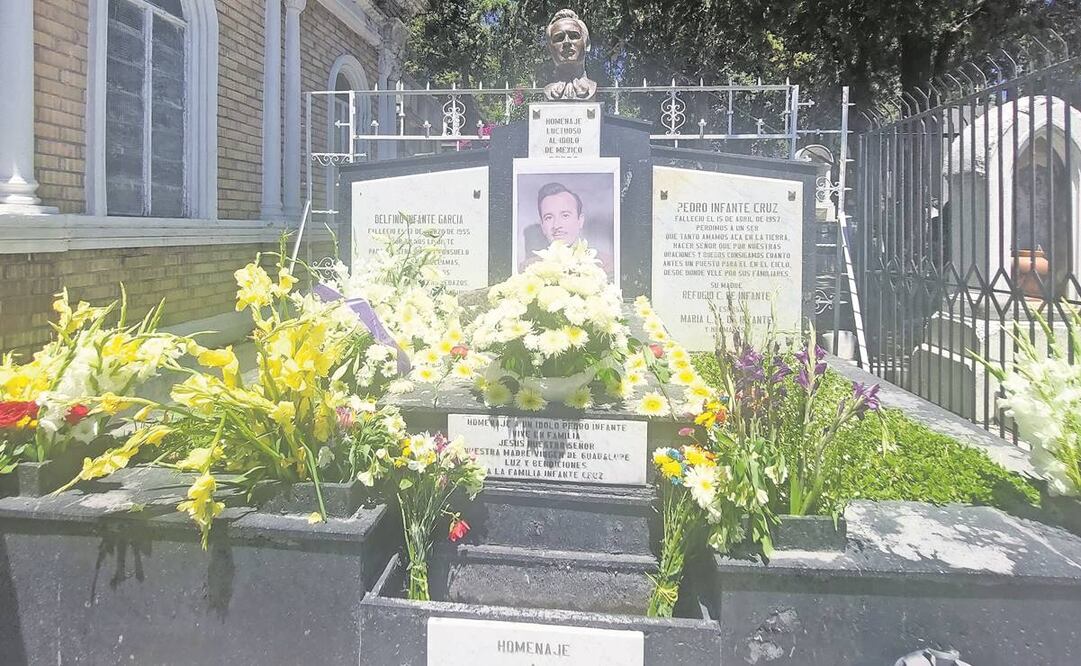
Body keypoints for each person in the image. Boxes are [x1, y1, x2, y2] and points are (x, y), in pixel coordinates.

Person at [520, 181, 615, 277]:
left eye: (565, 215)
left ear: (580, 221)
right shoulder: (528, 269)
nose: (556, 225)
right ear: (543, 226)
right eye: (549, 217)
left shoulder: (606, 265)